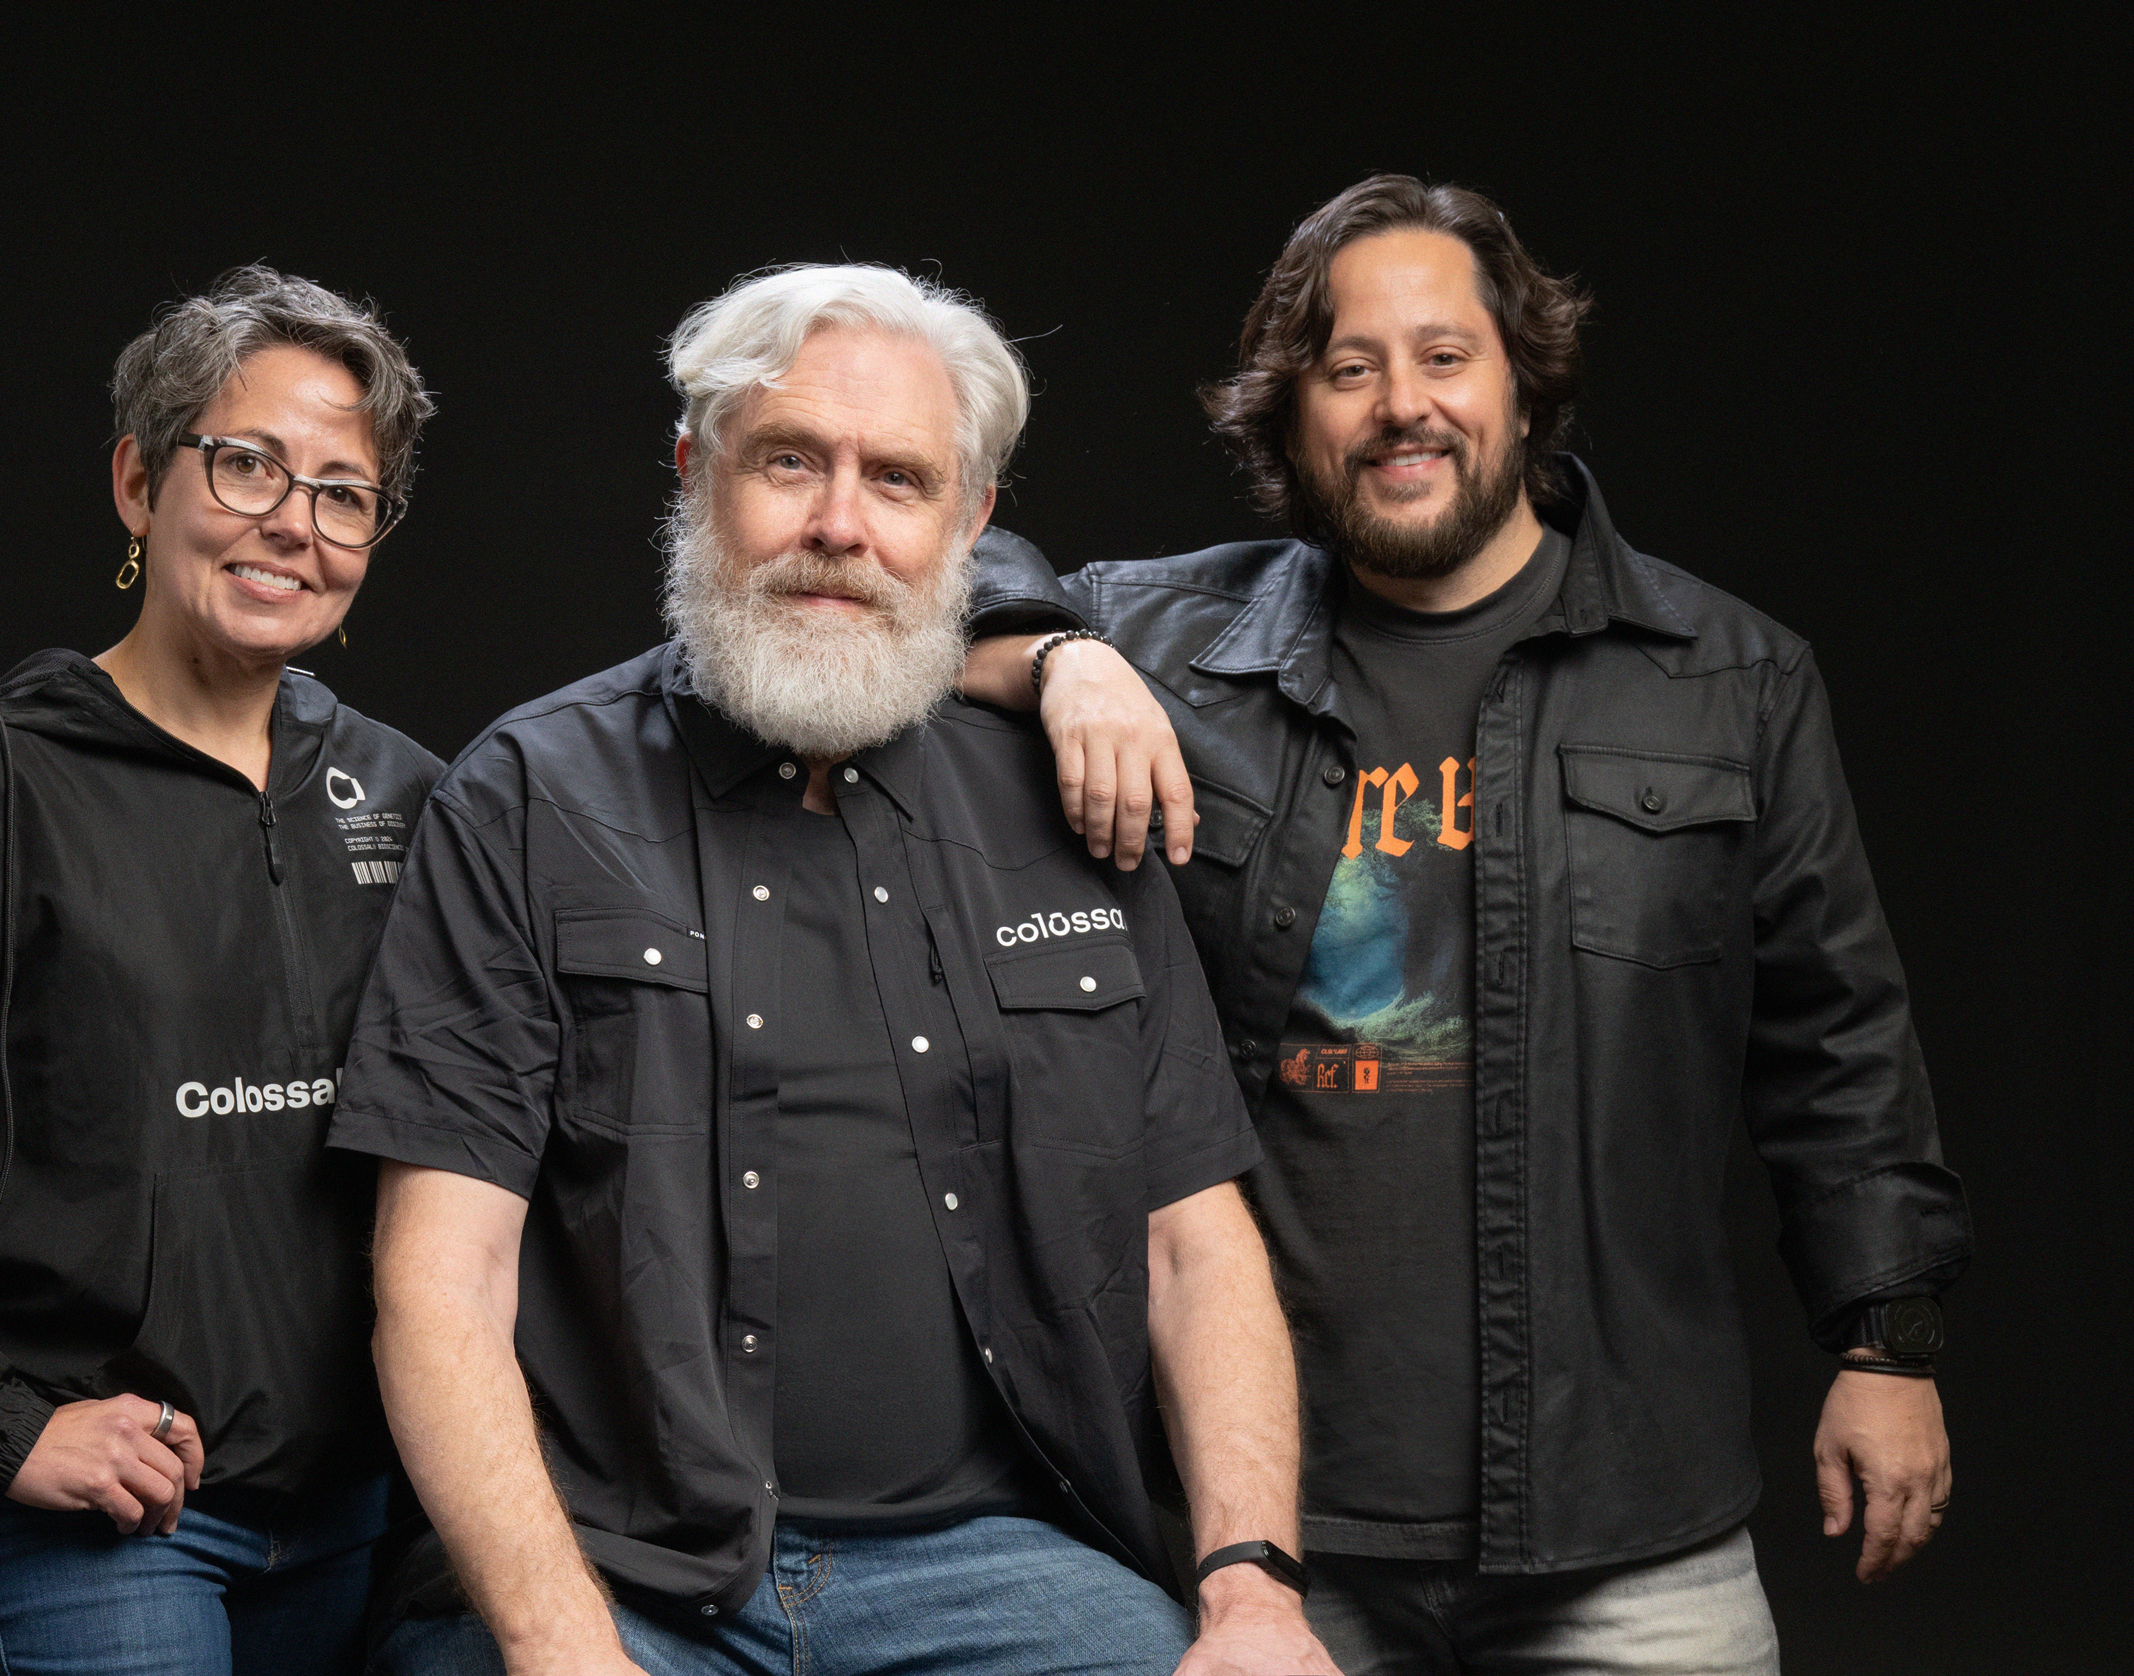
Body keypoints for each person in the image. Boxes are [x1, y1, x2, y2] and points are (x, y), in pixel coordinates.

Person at [959, 175, 1971, 1673]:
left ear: (1523, 383)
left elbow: (1838, 1043)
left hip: (1631, 1520)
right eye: (1347, 367)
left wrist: (1886, 1349)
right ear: (1288, 413)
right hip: (1258, 1528)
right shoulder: (1163, 643)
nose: (1398, 407)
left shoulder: (1726, 678)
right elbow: (923, 591)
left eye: (1444, 357)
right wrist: (1054, 658)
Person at [326, 265, 1339, 1676]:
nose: (838, 527)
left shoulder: (1066, 806)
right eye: (788, 461)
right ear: (695, 471)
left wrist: (1250, 1592)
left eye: (901, 480)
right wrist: (565, 1648)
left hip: (996, 1568)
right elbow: (441, 1279)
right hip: (618, 1571)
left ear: (971, 523)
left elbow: (1192, 1243)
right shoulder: (529, 795)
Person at [0, 265, 443, 1675]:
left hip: (381, 1520)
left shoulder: (411, 796)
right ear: (138, 483)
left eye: (342, 492)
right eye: (246, 466)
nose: (292, 525)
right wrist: (1, 1418)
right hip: (119, 1531)